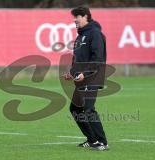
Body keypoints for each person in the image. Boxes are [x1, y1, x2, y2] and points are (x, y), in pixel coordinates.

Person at [62, 6, 109, 151]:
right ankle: (92, 139)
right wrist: (72, 73)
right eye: (74, 17)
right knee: (75, 109)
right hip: (80, 79)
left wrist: (86, 73)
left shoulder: (95, 33)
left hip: (92, 77)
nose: (74, 20)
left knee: (88, 110)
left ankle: (102, 142)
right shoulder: (80, 36)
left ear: (85, 16)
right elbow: (78, 59)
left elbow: (98, 58)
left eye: (77, 17)